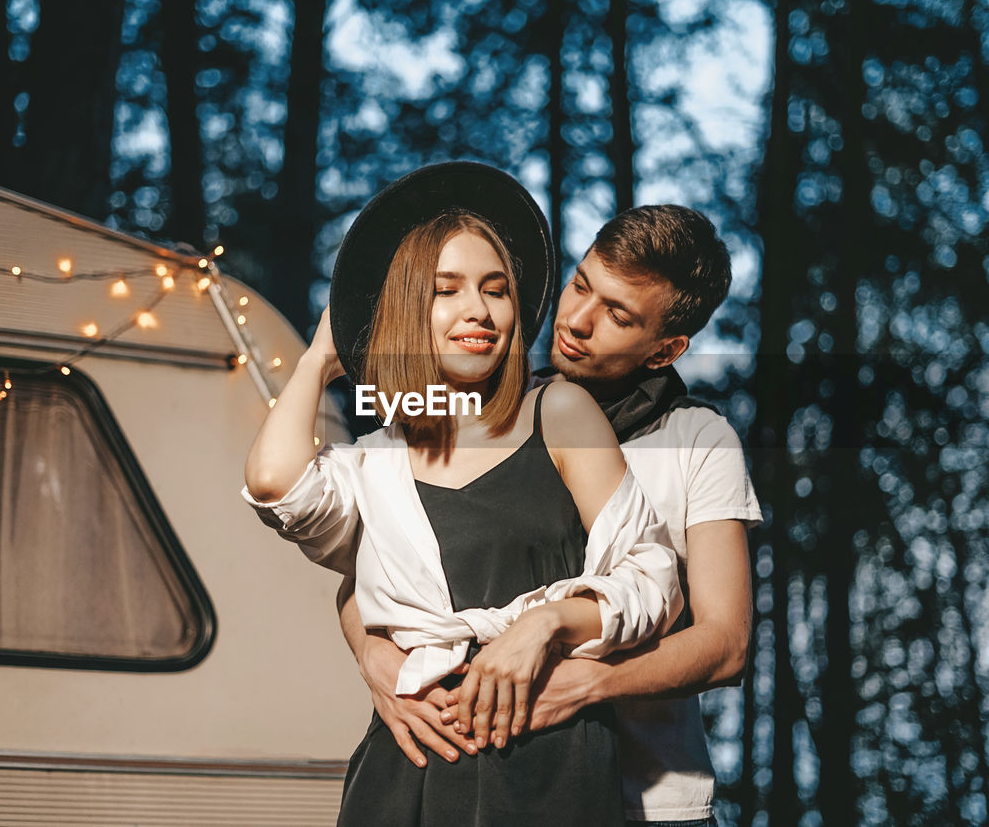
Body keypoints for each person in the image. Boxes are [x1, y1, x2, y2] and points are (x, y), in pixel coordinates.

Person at [242, 163, 683, 827]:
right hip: (408, 767)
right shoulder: (379, 457)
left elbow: (653, 577)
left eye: (496, 289)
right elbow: (276, 484)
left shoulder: (558, 412)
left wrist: (546, 623)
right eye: (447, 290)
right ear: (408, 312)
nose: (478, 309)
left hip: (549, 768)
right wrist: (317, 358)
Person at [340, 204, 762, 827]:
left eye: (617, 315)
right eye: (581, 285)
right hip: (495, 783)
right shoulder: (490, 411)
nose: (578, 321)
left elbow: (726, 645)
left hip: (649, 799)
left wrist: (586, 682)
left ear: (666, 348)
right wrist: (373, 656)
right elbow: (370, 567)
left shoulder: (700, 439)